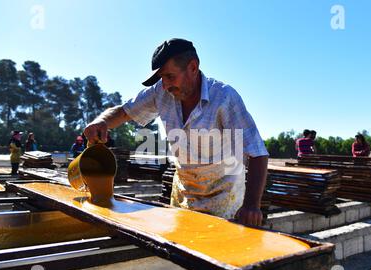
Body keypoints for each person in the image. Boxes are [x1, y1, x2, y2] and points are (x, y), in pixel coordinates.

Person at [84, 38, 269, 227]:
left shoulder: (224, 98)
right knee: (183, 250)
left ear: (193, 67)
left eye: (170, 76)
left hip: (223, 195)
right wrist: (101, 121)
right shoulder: (161, 93)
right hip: (184, 194)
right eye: (161, 78)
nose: (165, 85)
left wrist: (252, 205)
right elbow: (124, 111)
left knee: (217, 250)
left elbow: (257, 153)